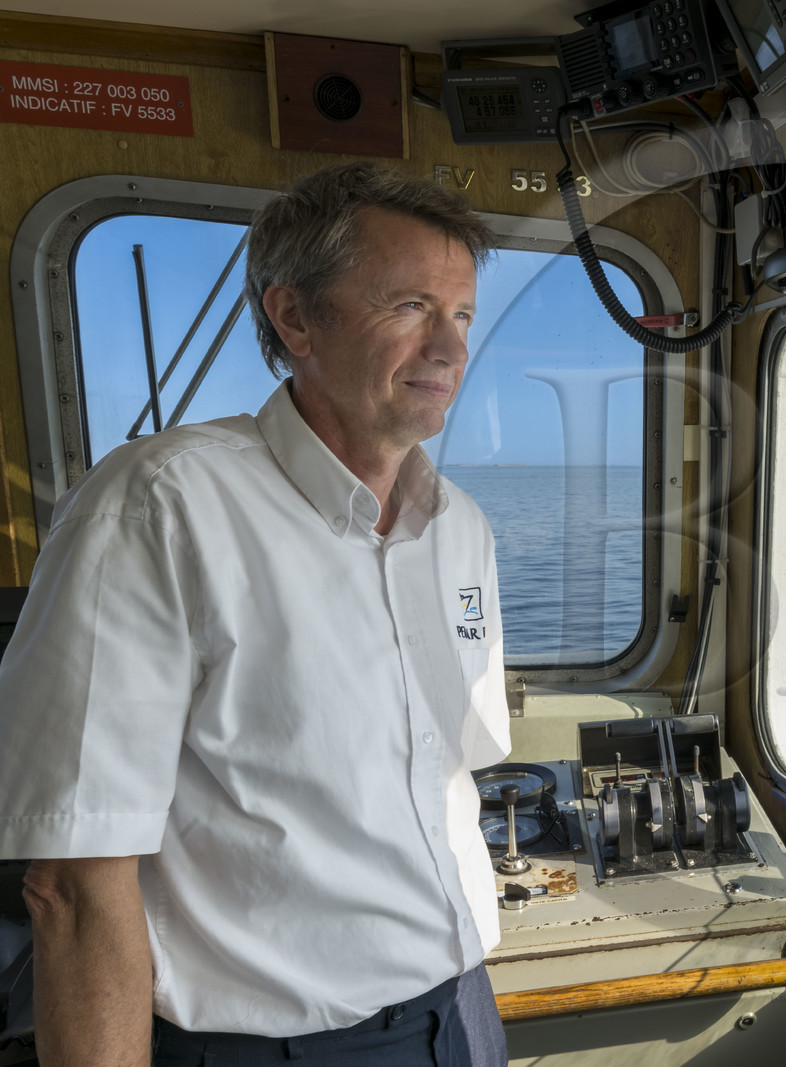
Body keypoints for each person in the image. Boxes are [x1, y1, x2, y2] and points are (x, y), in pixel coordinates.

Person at [0, 161, 514, 1066]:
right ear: (295, 317)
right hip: (275, 1046)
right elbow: (74, 882)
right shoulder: (159, 504)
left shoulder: (460, 529)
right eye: (410, 308)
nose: (450, 348)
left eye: (463, 313)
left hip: (462, 1008)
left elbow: (440, 781)